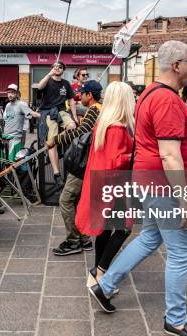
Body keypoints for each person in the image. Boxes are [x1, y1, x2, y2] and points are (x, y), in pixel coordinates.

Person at [89, 41, 187, 336]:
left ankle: (104, 286)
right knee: (182, 252)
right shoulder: (168, 100)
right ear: (177, 65)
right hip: (163, 185)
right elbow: (170, 154)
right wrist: (184, 200)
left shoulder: (149, 94)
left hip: (148, 181)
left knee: (149, 238)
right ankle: (176, 320)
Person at [75, 81, 134, 286]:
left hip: (100, 183)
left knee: (105, 229)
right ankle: (99, 271)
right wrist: (134, 153)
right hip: (114, 185)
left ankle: (96, 274)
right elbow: (117, 161)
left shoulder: (103, 123)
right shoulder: (118, 127)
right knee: (123, 229)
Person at [48, 80, 103, 256]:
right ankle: (85, 239)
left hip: (83, 164)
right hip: (89, 163)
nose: (79, 97)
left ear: (90, 95)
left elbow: (82, 132)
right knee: (77, 201)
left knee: (65, 201)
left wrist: (55, 140)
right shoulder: (97, 110)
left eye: (83, 93)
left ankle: (73, 241)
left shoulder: (95, 110)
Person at [36, 61, 77, 186]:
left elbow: (71, 100)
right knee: (51, 142)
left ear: (63, 70)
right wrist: (49, 74)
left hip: (62, 112)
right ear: (52, 68)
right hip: (49, 112)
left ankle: (55, 140)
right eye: (55, 66)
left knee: (72, 126)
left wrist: (74, 116)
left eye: (60, 67)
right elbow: (39, 87)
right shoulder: (48, 80)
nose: (57, 68)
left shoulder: (66, 84)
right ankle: (56, 173)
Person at [2, 84, 40, 162]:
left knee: (13, 162)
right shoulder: (7, 105)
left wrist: (45, 116)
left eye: (12, 93)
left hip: (15, 139)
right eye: (8, 93)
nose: (10, 95)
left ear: (17, 94)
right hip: (5, 138)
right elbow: (4, 120)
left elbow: (33, 114)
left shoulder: (21, 104)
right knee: (4, 162)